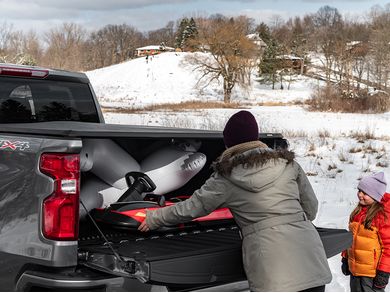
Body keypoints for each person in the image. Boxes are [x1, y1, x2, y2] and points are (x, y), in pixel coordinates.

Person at [138, 110, 332, 291]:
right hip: (309, 257)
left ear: (228, 143)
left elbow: (192, 207)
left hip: (272, 267)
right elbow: (311, 210)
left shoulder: (226, 177)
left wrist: (156, 217)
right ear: (256, 137)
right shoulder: (289, 165)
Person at [341, 172, 390, 292]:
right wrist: (345, 258)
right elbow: (350, 239)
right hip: (355, 270)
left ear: (375, 195)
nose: (360, 195)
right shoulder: (357, 212)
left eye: (365, 193)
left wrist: (384, 272)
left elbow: (388, 247)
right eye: (359, 190)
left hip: (372, 274)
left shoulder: (382, 216)